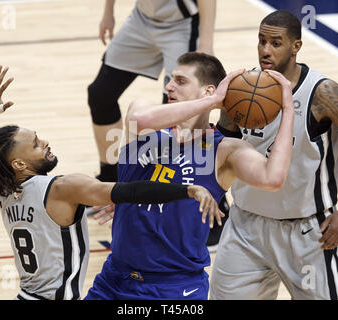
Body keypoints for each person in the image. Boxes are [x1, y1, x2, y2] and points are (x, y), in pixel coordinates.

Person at [0, 66, 223, 300]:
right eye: (35, 145)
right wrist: (187, 189)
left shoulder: (5, 193)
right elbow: (131, 191)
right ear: (19, 164)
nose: (45, 143)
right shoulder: (63, 188)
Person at [84, 51, 295, 300]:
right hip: (114, 279)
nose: (169, 86)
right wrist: (212, 102)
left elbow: (273, 178)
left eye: (180, 81)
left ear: (208, 91)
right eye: (171, 79)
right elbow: (138, 119)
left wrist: (289, 109)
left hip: (175, 289)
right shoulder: (144, 117)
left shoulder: (224, 151)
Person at [210, 10, 338, 300]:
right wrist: (210, 195)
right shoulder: (240, 88)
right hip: (244, 227)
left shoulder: (323, 93)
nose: (265, 50)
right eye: (261, 41)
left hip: (307, 234)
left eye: (275, 43)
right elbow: (220, 147)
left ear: (296, 46)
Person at [88, 0, 226, 251]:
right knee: (100, 93)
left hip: (181, 24)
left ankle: (216, 207)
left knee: (177, 114)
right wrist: (108, 12)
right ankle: (110, 181)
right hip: (141, 19)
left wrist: (206, 43)